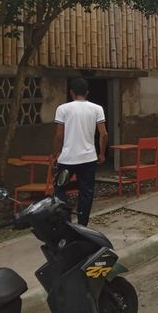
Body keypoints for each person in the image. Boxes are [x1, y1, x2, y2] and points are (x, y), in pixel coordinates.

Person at [52, 78, 108, 226]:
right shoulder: (97, 109)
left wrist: (56, 154)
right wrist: (102, 153)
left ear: (71, 92)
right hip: (88, 159)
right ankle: (82, 224)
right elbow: (103, 134)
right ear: (87, 92)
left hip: (67, 160)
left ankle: (65, 222)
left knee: (60, 189)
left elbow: (59, 136)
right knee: (86, 192)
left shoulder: (62, 109)